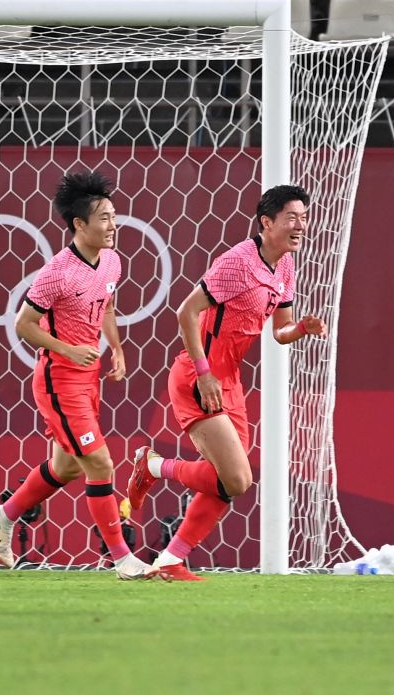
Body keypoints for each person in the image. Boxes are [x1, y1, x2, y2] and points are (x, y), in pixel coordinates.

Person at [127, 184, 327, 581]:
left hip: (229, 380)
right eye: (292, 218)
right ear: (267, 222)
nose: (301, 225)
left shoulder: (285, 264)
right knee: (236, 478)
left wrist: (302, 328)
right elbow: (186, 312)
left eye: (304, 217)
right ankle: (152, 465)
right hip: (198, 375)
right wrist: (204, 374)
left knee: (229, 484)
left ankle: (170, 560)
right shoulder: (237, 262)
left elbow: (280, 332)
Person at [0, 171, 154, 580]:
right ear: (79, 225)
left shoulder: (112, 259)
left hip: (89, 376)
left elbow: (106, 305)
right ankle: (122, 558)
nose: (113, 225)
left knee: (68, 467)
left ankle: (4, 515)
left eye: (114, 216)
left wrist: (117, 348)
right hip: (59, 379)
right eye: (105, 218)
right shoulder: (57, 272)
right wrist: (68, 349)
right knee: (99, 462)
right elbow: (24, 325)